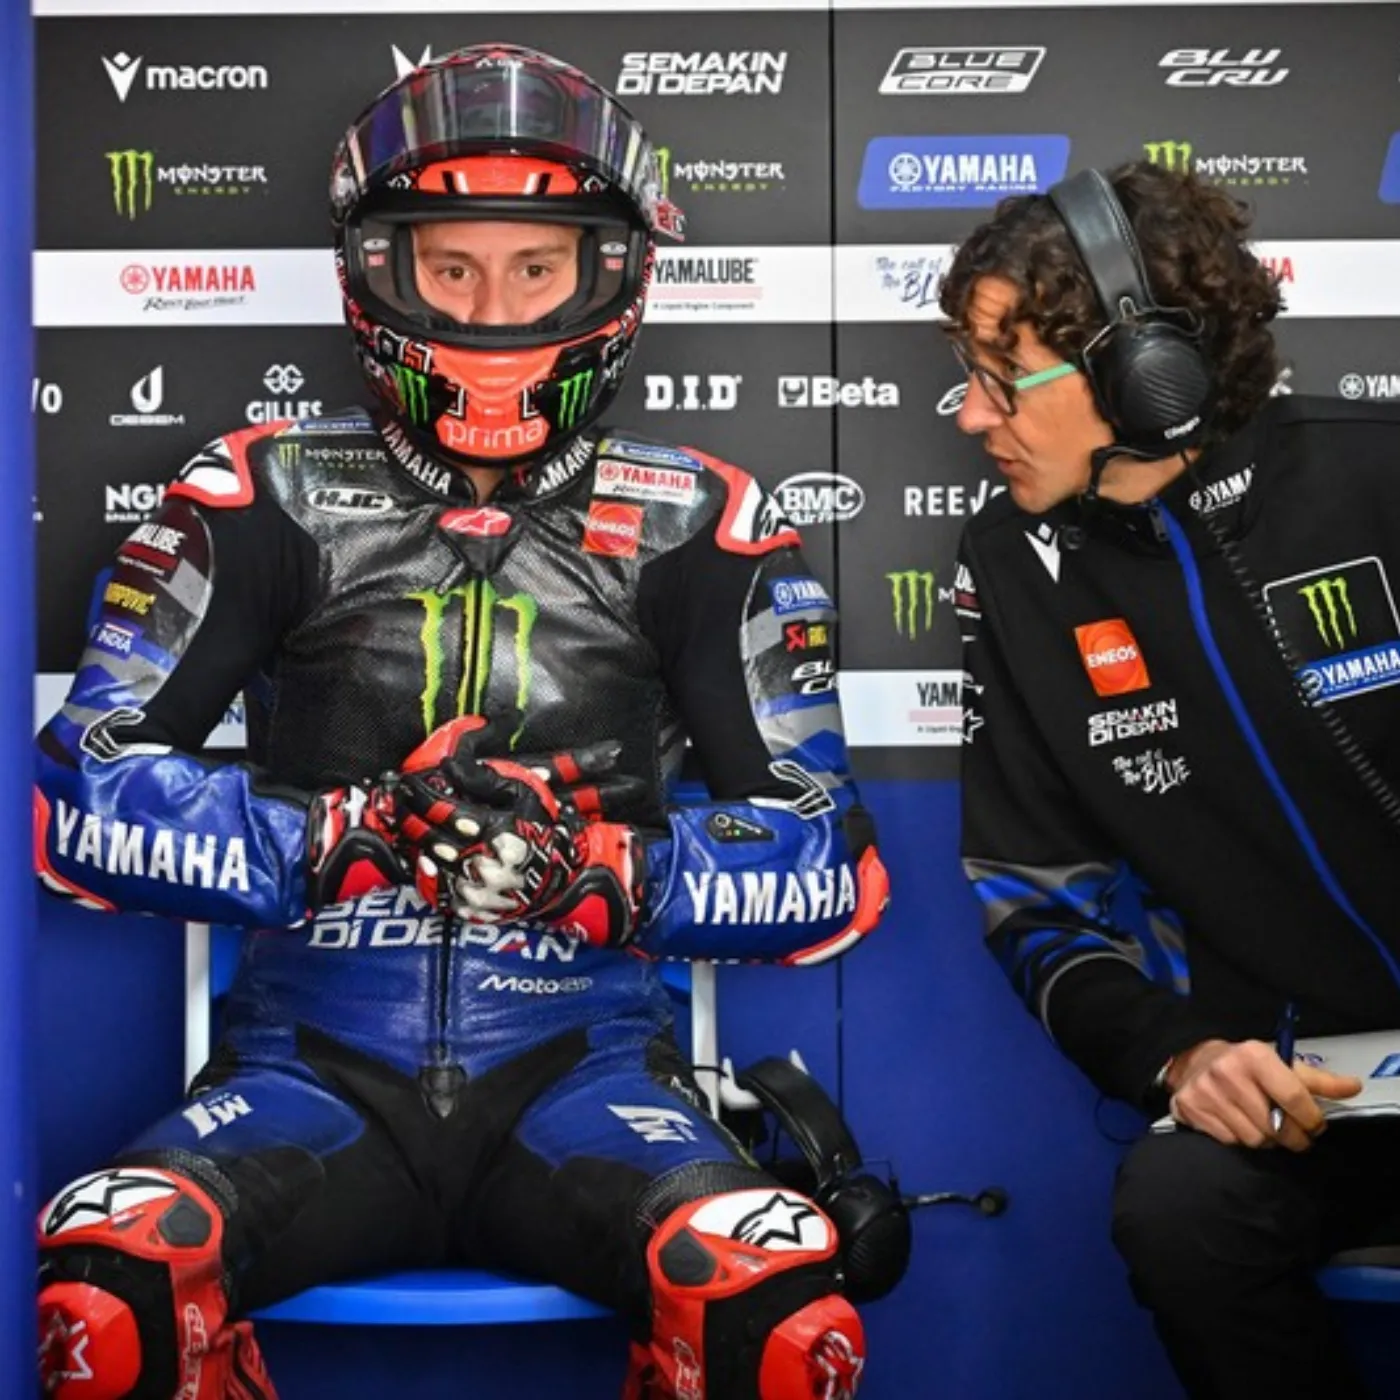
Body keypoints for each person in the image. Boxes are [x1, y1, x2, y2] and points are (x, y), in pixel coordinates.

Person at [33, 44, 886, 1400]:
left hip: (586, 1080)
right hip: (306, 1076)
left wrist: (602, 874)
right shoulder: (253, 493)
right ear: (380, 272)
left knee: (773, 1310)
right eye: (452, 268)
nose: (493, 312)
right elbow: (74, 796)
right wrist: (336, 837)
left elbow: (830, 859)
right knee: (113, 1277)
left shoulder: (709, 522)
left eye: (535, 268)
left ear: (610, 275)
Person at [947, 159, 1400, 1399]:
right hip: (1304, 1093)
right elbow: (1033, 901)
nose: (971, 417)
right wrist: (1183, 1053)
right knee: (1178, 1204)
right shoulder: (1009, 565)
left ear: (1148, 373)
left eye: (1001, 379)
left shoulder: (1375, 475)